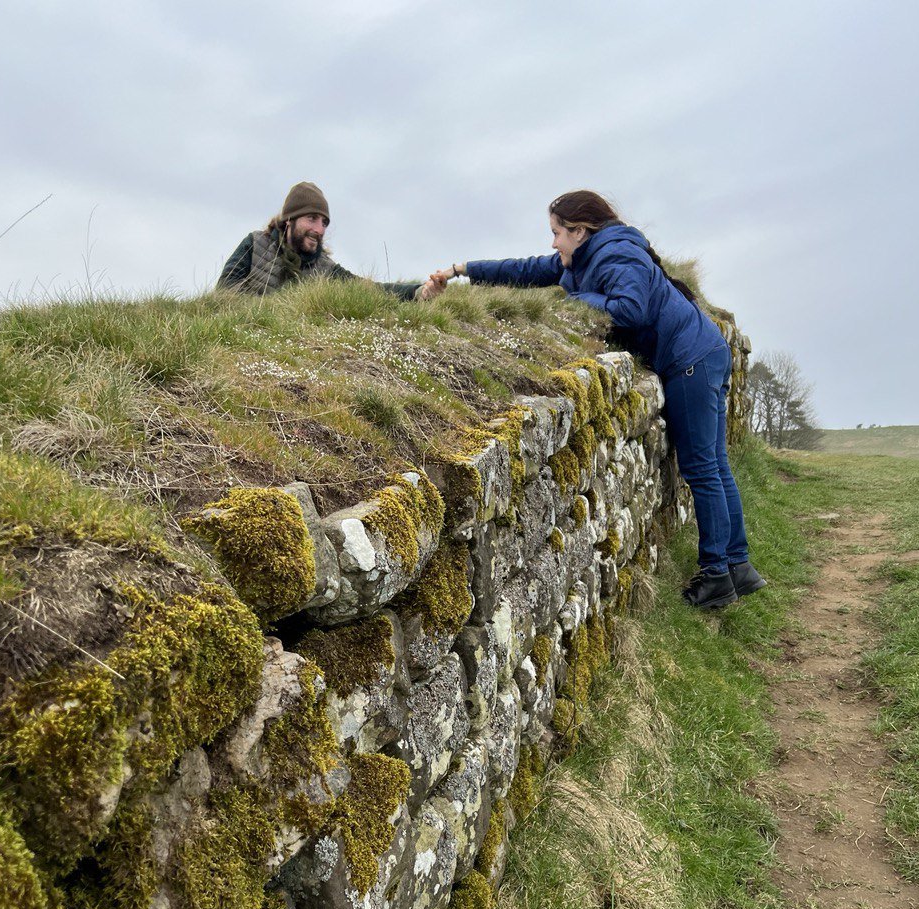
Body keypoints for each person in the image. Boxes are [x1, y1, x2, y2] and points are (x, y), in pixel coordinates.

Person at [421, 190, 766, 609]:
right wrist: (462, 270)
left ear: (580, 231)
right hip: (703, 351)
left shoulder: (616, 253)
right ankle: (738, 566)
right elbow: (527, 269)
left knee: (702, 467)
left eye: (556, 233)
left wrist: (572, 299)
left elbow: (631, 309)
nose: (553, 243)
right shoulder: (585, 257)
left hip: (690, 359)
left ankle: (716, 574)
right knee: (714, 464)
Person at [216, 180, 426, 301]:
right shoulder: (254, 244)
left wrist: (419, 291)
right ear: (289, 219)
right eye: (312, 218)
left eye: (324, 222)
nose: (319, 230)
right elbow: (223, 296)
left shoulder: (326, 269)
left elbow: (370, 291)